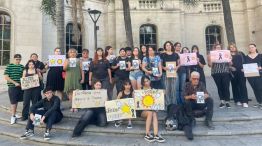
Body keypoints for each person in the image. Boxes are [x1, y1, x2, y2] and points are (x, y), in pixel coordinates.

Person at [139, 76, 165, 143]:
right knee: (151, 112)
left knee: (154, 113)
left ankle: (156, 134)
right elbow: (138, 102)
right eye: (144, 81)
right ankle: (147, 134)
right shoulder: (140, 90)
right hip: (142, 110)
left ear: (150, 81)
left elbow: (156, 101)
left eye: (147, 81)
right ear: (142, 83)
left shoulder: (153, 90)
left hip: (151, 110)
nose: (146, 83)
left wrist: (162, 93)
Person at [208, 44, 232, 108]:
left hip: (225, 72)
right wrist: (211, 59)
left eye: (219, 47)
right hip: (216, 73)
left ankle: (227, 101)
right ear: (215, 49)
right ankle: (222, 101)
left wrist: (230, 59)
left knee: (226, 87)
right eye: (217, 48)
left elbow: (230, 64)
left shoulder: (225, 53)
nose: (218, 48)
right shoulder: (212, 54)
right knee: (219, 87)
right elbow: (210, 65)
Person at [4, 54, 24, 124]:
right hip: (12, 87)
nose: (18, 61)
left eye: (19, 59)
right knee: (13, 102)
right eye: (17, 59)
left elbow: (23, 76)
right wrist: (15, 83)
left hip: (20, 87)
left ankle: (15, 114)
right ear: (14, 59)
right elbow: (6, 77)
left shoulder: (22, 66)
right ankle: (12, 116)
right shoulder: (9, 66)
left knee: (17, 100)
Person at [161, 41, 179, 109]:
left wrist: (177, 67)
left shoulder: (175, 54)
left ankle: (174, 105)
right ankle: (168, 105)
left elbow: (179, 63)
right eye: (167, 45)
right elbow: (160, 64)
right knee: (167, 89)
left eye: (169, 45)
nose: (168, 46)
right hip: (165, 74)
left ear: (171, 46)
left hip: (174, 73)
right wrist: (164, 68)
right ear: (165, 47)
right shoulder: (162, 55)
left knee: (174, 89)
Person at [63, 48, 82, 112]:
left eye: (74, 52)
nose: (72, 53)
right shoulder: (66, 60)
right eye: (71, 52)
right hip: (69, 77)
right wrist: (68, 63)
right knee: (70, 92)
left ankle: (76, 106)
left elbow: (81, 70)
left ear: (76, 53)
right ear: (69, 54)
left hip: (77, 77)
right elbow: (64, 69)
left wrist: (83, 78)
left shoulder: (79, 60)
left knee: (77, 92)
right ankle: (72, 105)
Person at [244, 44, 262, 108]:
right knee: (255, 89)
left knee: (259, 88)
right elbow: (244, 65)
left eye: (252, 47)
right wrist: (243, 69)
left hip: (259, 75)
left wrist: (261, 67)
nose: (251, 48)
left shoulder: (260, 56)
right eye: (250, 48)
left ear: (255, 48)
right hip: (250, 76)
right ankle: (259, 102)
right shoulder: (246, 57)